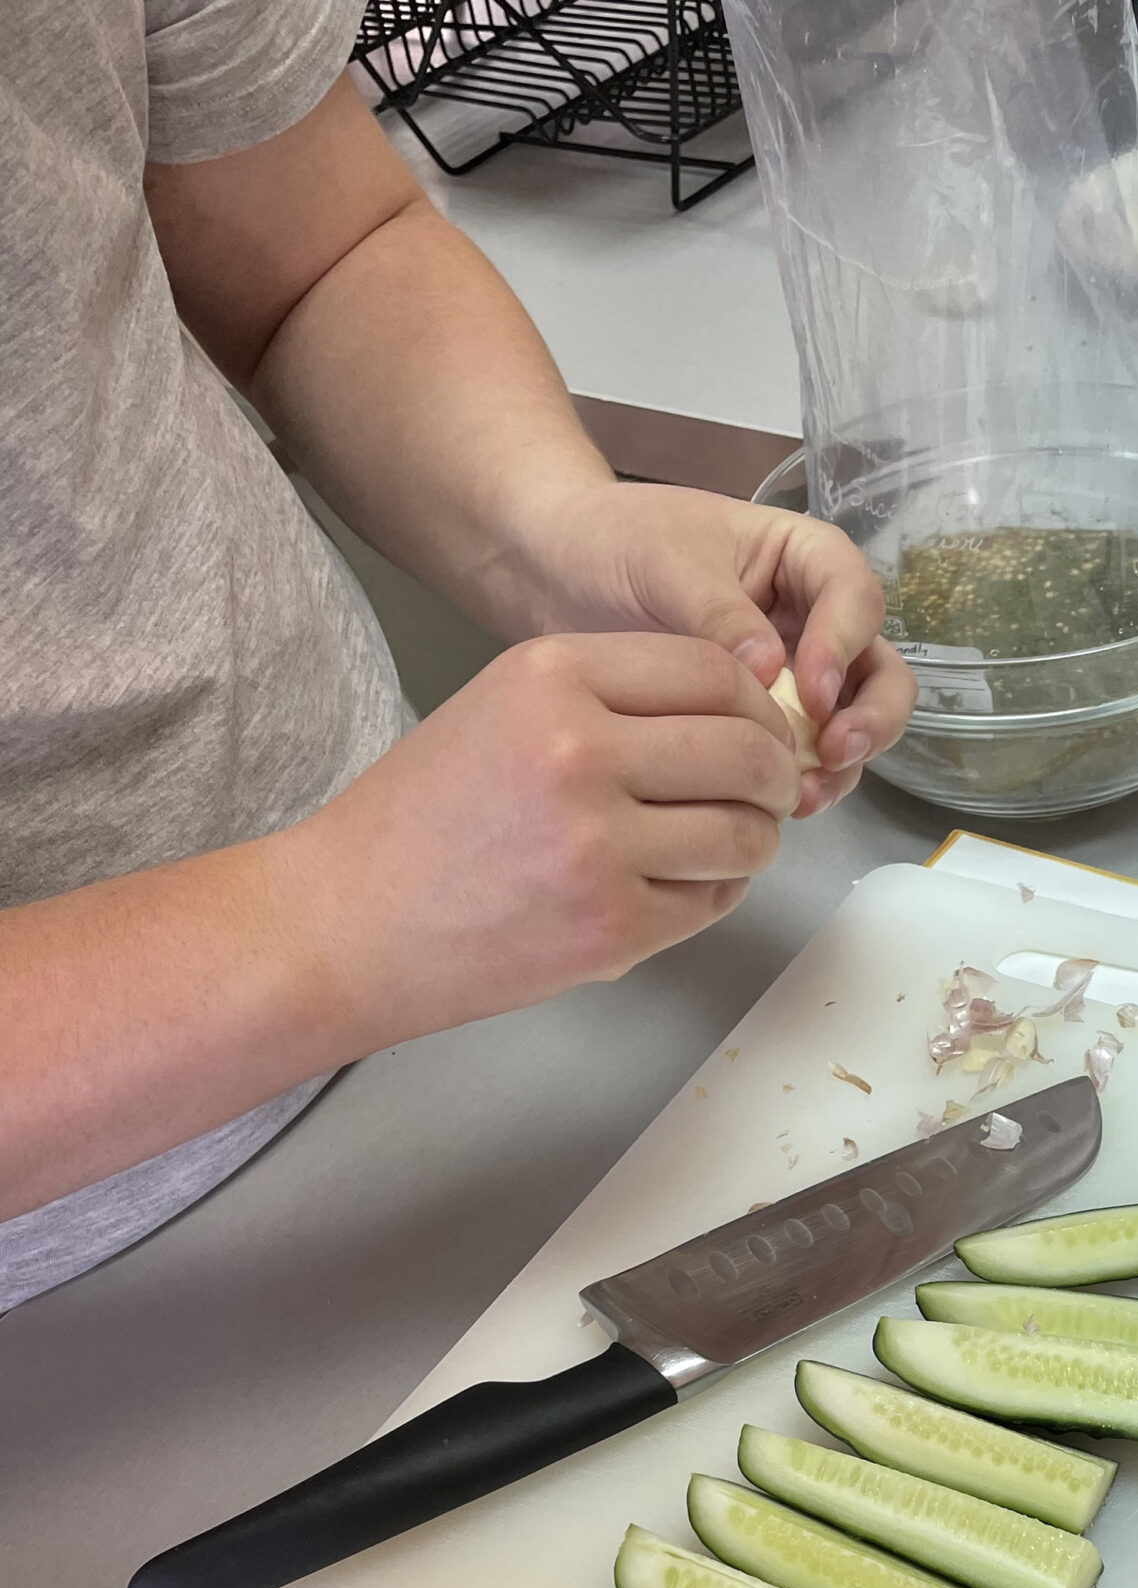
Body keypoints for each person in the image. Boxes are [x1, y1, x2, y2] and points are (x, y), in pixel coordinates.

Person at [0, 0, 913, 1312]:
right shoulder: (354, 927)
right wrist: (330, 922)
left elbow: (320, 253)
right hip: (80, 1304)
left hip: (430, 1035)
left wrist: (559, 530)